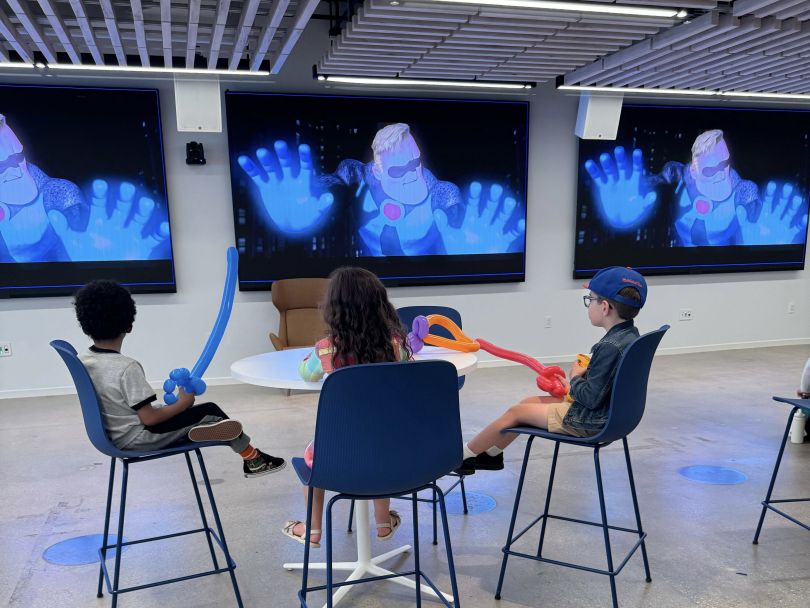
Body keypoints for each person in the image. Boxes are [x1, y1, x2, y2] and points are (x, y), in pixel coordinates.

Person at [74, 279, 285, 477]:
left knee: (206, 412)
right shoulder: (126, 368)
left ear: (84, 324)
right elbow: (149, 419)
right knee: (211, 414)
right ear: (129, 325)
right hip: (140, 438)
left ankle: (208, 434)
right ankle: (252, 459)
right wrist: (184, 403)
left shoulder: (85, 360)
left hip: (113, 436)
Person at [457, 266, 647, 474]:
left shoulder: (608, 347)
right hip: (612, 416)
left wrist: (574, 378)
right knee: (527, 403)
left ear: (605, 307)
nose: (587, 305)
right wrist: (570, 385)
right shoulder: (630, 336)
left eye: (590, 299)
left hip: (592, 420)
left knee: (516, 413)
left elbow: (591, 398)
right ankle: (492, 454)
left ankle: (459, 457)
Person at [282, 267, 411, 548]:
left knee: (312, 455)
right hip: (392, 450)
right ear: (381, 305)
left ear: (333, 309)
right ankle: (383, 523)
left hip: (338, 455)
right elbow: (408, 373)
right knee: (377, 444)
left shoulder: (326, 349)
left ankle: (312, 530)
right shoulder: (395, 346)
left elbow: (307, 374)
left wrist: (313, 355)